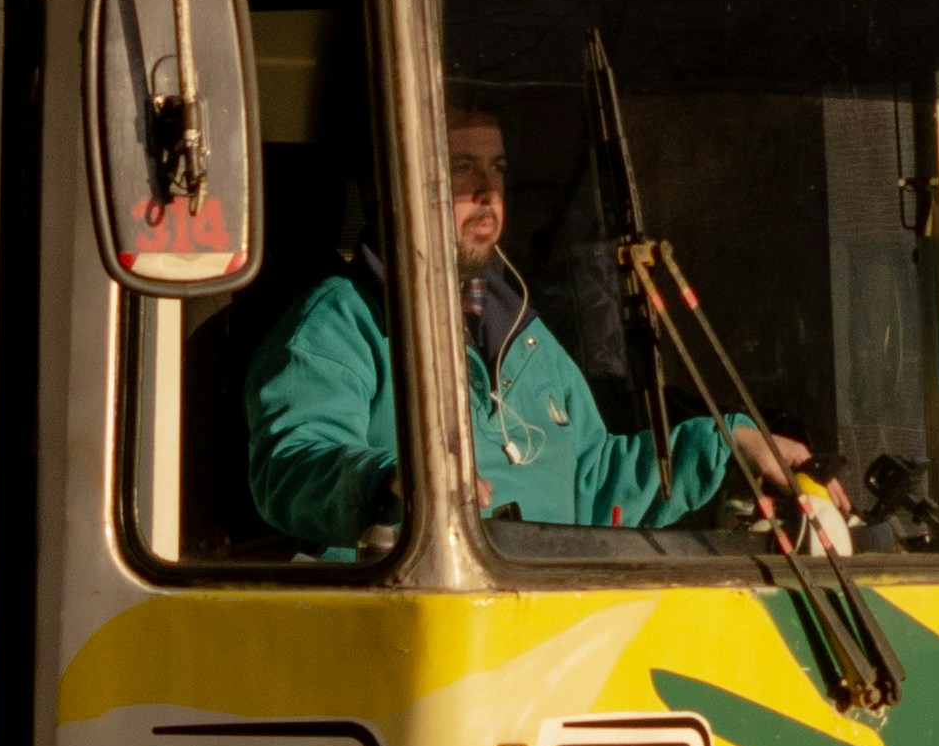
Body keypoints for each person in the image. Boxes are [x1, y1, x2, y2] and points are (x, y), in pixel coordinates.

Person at [247, 110, 790, 550]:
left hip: (543, 629)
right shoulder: (342, 322)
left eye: (498, 167)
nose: (488, 191)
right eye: (462, 167)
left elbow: (592, 483)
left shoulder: (525, 334)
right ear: (394, 182)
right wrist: (389, 480)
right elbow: (291, 464)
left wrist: (727, 443)